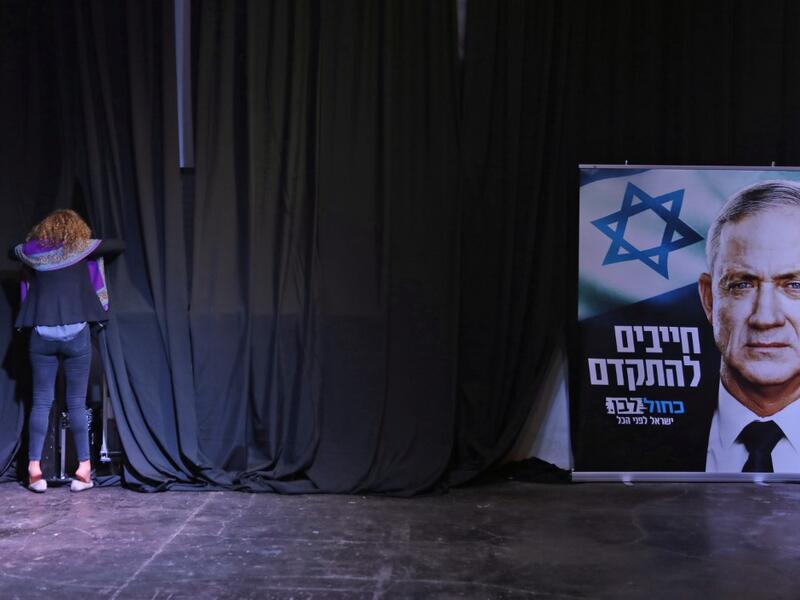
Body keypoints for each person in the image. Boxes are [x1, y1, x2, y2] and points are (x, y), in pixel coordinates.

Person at [11, 209, 124, 492]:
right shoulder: (80, 249)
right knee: (76, 402)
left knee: (40, 402)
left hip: (42, 335)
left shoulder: (32, 253)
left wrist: (37, 246)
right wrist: (85, 248)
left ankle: (34, 470)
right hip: (76, 334)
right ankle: (83, 471)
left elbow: (12, 251)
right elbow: (117, 245)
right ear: (75, 230)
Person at [699, 181, 800, 473]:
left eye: (795, 285)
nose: (765, 318)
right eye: (742, 285)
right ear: (709, 299)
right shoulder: (630, 439)